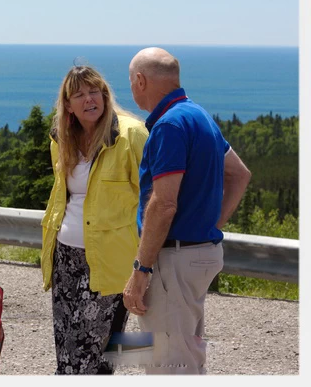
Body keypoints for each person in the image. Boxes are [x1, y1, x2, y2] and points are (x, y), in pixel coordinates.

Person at [122, 47, 251, 375]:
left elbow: (163, 204)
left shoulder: (169, 125)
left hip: (173, 261)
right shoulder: (199, 115)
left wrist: (140, 271)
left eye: (130, 81)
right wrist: (209, 224)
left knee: (167, 365)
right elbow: (239, 174)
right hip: (200, 254)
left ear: (140, 81)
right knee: (186, 357)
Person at [41, 65, 149, 375]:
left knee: (96, 351)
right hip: (65, 258)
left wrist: (146, 262)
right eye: (79, 94)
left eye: (95, 92)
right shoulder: (61, 139)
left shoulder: (130, 134)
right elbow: (65, 195)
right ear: (68, 106)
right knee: (66, 343)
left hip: (110, 260)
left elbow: (153, 197)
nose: (90, 99)